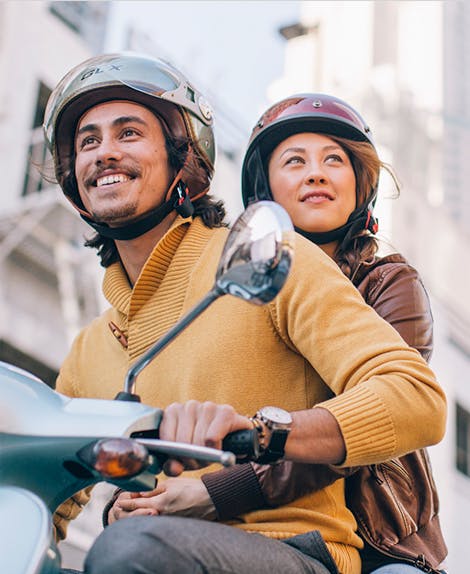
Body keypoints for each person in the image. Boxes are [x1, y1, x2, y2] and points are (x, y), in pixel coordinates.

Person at [46, 52, 446, 574]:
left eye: (128, 133)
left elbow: (414, 397)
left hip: (297, 550)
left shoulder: (269, 261)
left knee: (132, 549)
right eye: (88, 141)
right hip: (161, 545)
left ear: (181, 161)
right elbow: (46, 487)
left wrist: (261, 435)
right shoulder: (88, 352)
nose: (104, 153)